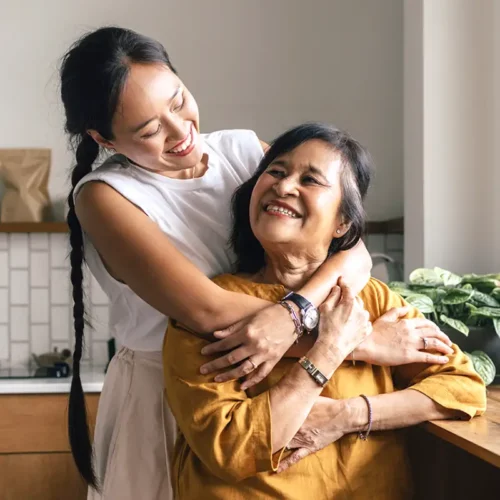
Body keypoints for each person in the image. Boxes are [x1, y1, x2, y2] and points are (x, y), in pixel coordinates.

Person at [60, 27, 454, 499]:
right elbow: (206, 313)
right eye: (149, 130)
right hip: (176, 392)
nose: (180, 130)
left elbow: (352, 247)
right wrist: (355, 342)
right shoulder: (104, 198)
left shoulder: (244, 152)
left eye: (179, 100)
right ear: (103, 137)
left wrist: (300, 315)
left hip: (271, 384)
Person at [163, 123, 486, 500]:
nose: (284, 186)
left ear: (342, 223)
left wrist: (347, 416)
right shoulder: (211, 308)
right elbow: (231, 448)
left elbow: (463, 388)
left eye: (311, 180)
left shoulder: (371, 299)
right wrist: (329, 349)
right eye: (277, 171)